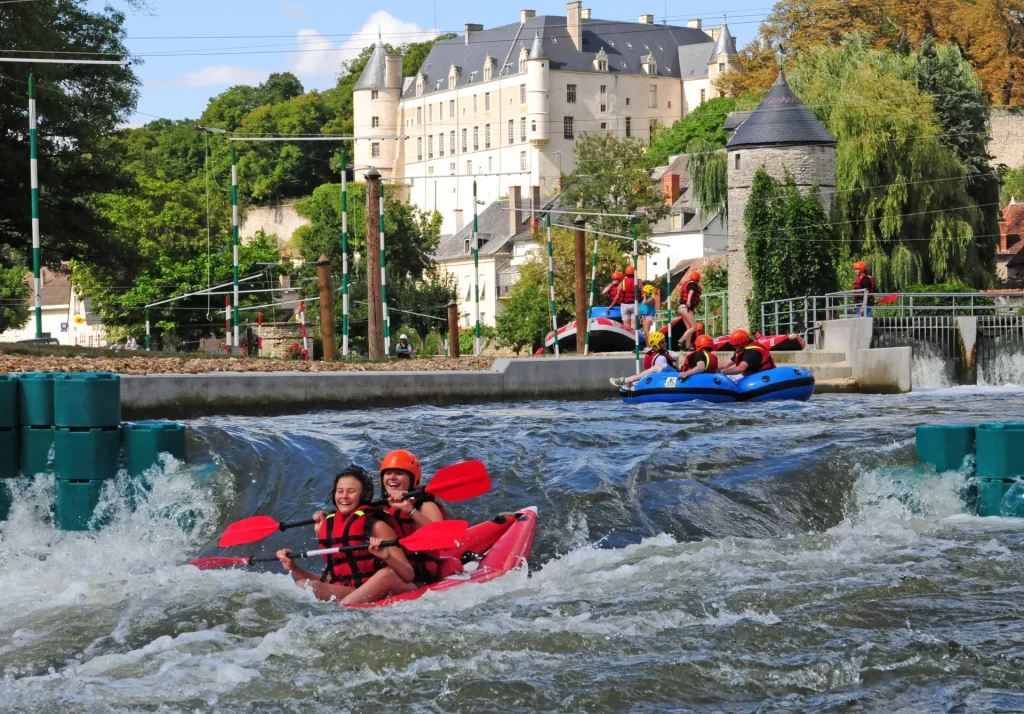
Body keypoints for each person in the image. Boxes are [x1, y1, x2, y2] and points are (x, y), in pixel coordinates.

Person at [277, 465, 417, 605]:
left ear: (363, 496)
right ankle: (343, 609)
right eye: (340, 491)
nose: (344, 496)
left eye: (351, 491)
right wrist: (294, 568)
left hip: (390, 585)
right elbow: (331, 579)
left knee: (387, 574)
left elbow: (408, 575)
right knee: (304, 585)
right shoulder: (331, 526)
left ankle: (341, 611)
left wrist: (386, 556)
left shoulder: (377, 526)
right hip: (358, 591)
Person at [378, 450, 447, 584]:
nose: (392, 477)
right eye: (388, 473)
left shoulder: (425, 505)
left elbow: (445, 543)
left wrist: (411, 510)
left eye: (399, 473)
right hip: (389, 573)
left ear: (413, 479)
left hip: (418, 579)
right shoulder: (380, 509)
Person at [609, 330, 675, 389]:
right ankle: (629, 381)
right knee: (659, 366)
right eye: (662, 342)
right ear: (656, 345)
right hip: (667, 377)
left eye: (664, 341)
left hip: (673, 376)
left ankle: (627, 380)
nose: (665, 344)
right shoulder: (661, 358)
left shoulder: (652, 354)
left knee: (658, 367)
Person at [677, 271, 702, 339]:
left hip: (681, 307)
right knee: (694, 327)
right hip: (686, 308)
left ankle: (687, 346)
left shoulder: (688, 283)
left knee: (689, 327)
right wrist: (688, 301)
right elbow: (691, 291)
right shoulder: (694, 284)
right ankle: (681, 341)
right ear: (698, 279)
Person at [619, 265, 638, 329]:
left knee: (626, 326)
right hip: (635, 304)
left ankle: (628, 338)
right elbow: (643, 293)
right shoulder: (638, 282)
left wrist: (611, 305)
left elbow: (617, 296)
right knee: (634, 326)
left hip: (624, 305)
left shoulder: (622, 282)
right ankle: (634, 338)